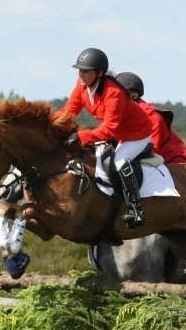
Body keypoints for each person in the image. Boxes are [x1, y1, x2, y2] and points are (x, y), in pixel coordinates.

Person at [53, 47, 153, 227]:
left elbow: (108, 130)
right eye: (79, 70)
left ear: (99, 73)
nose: (81, 75)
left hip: (137, 133)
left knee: (120, 162)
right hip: (118, 132)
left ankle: (135, 208)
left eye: (85, 71)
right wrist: (50, 124)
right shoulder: (81, 86)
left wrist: (81, 136)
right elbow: (69, 111)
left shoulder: (113, 93)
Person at [115, 72, 186, 164]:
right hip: (157, 158)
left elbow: (150, 151)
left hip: (174, 160)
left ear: (133, 97)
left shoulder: (151, 117)